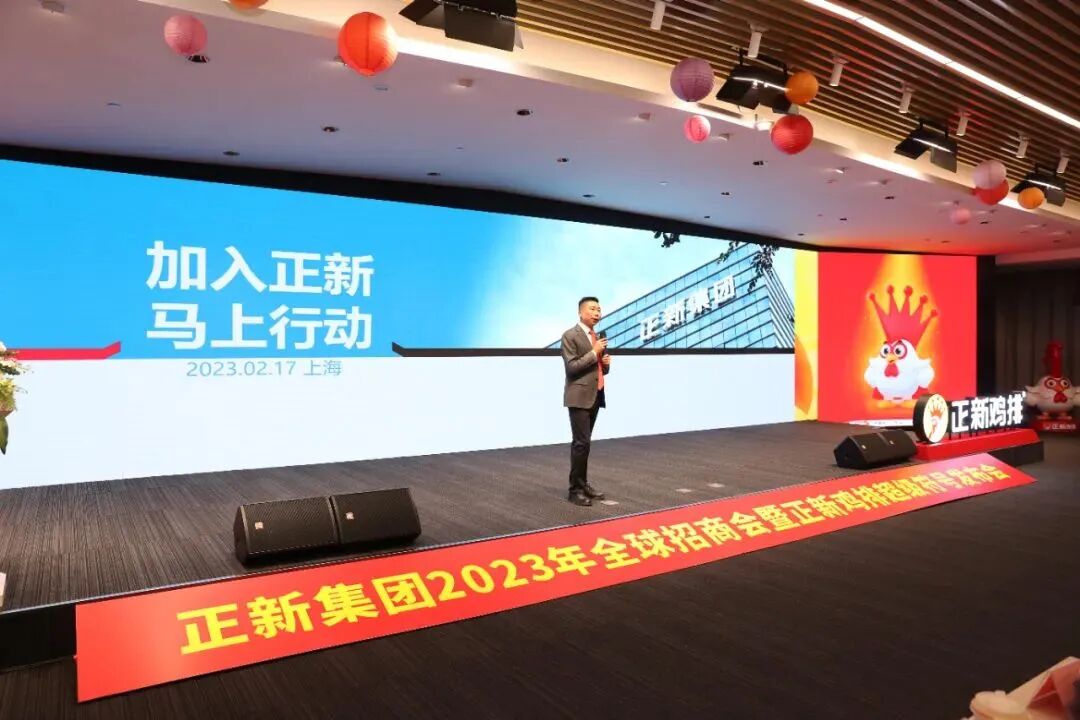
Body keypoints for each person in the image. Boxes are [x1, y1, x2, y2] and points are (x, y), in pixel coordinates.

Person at [560, 296, 611, 506]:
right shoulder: (570, 335)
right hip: (579, 396)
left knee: (585, 444)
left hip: (595, 394)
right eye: (592, 309)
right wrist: (594, 352)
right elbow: (572, 368)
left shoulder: (596, 336)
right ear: (581, 312)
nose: (597, 313)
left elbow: (599, 370)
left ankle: (583, 484)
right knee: (581, 443)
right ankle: (574, 491)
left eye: (599, 309)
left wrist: (605, 363)